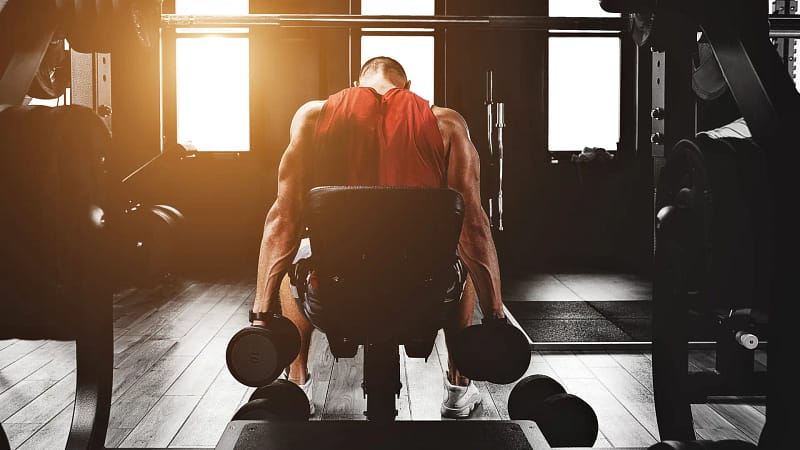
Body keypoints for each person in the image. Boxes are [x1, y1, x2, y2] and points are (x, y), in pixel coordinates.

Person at [251, 56, 505, 418]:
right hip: (426, 292)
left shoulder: (313, 116)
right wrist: (495, 316)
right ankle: (458, 387)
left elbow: (282, 220)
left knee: (297, 252)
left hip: (335, 290)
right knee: (459, 253)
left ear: (356, 83)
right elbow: (474, 226)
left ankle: (298, 381)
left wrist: (260, 317)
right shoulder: (446, 123)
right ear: (409, 87)